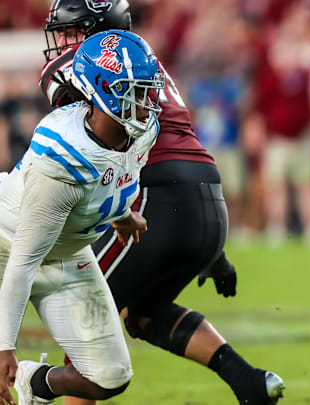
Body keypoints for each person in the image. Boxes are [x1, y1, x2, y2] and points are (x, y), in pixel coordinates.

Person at [40, 1, 285, 404]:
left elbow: (87, 143)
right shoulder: (145, 59)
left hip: (158, 197)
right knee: (144, 313)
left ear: (99, 29)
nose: (63, 42)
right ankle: (250, 383)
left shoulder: (89, 62)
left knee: (85, 318)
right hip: (205, 196)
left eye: (71, 31)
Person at [0, 29, 163, 405]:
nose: (147, 101)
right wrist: (4, 345)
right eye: (135, 91)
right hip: (7, 248)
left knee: (110, 376)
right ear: (104, 91)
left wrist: (122, 214)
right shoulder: (60, 161)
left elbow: (113, 177)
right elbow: (22, 261)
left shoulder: (140, 132)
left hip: (65, 254)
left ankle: (33, 383)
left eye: (147, 89)